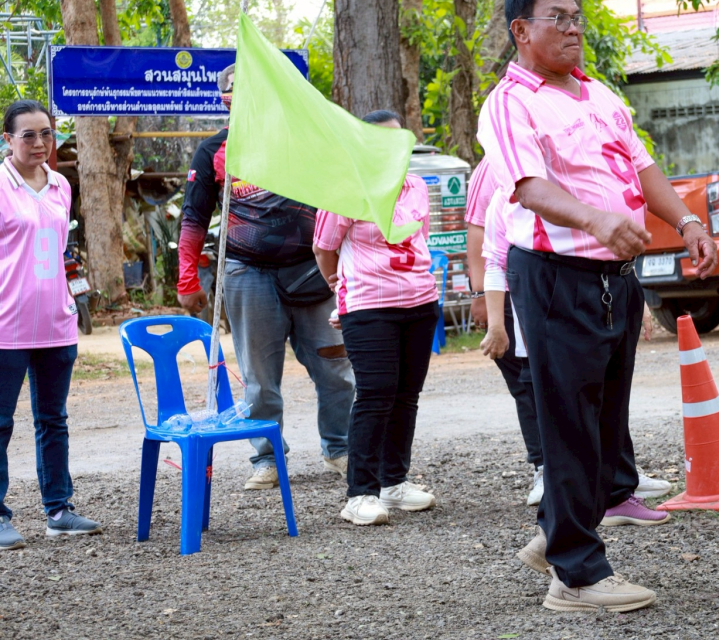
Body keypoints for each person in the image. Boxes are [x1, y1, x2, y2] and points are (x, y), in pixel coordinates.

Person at [477, 0, 718, 612]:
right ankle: (577, 576)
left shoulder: (598, 95)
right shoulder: (510, 103)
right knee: (568, 420)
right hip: (557, 276)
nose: (574, 27)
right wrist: (596, 219)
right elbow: (527, 187)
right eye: (558, 17)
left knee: (605, 425)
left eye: (577, 16)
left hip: (616, 278)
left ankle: (556, 536)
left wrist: (686, 221)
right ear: (521, 31)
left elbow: (641, 167)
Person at [177, 64, 355, 490]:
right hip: (247, 274)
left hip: (314, 272)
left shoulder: (308, 140)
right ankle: (267, 458)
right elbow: (193, 218)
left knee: (336, 368)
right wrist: (187, 280)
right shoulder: (216, 151)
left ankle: (340, 447)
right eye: (239, 89)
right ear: (224, 98)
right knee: (259, 378)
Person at [465, 157, 672, 508]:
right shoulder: (506, 186)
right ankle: (558, 488)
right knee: (554, 396)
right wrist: (494, 319)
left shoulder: (578, 181)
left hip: (594, 300)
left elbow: (606, 251)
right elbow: (494, 258)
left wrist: (635, 300)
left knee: (600, 393)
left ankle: (615, 486)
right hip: (543, 302)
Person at [313, 109, 439, 525]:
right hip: (370, 305)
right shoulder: (345, 189)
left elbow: (419, 239)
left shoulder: (416, 185)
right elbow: (324, 248)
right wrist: (341, 288)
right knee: (376, 391)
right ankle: (360, 494)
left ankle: (394, 483)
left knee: (406, 395)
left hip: (420, 303)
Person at [0, 100, 101, 550]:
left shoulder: (61, 185)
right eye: (28, 135)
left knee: (52, 420)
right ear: (8, 140)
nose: (40, 143)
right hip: (6, 324)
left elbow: (58, 252)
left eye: (46, 133)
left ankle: (58, 510)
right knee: (1, 422)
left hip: (55, 322)